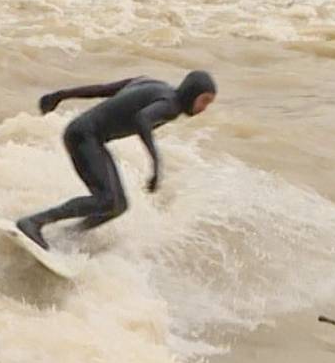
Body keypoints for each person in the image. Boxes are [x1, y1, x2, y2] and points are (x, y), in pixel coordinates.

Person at [17, 71, 217, 250]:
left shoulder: (151, 84)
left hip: (87, 136)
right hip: (84, 137)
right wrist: (156, 165)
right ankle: (34, 222)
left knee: (118, 205)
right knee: (107, 200)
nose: (204, 108)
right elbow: (143, 119)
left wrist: (60, 95)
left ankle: (66, 236)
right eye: (204, 100)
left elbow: (105, 89)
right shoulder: (170, 106)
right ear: (192, 93)